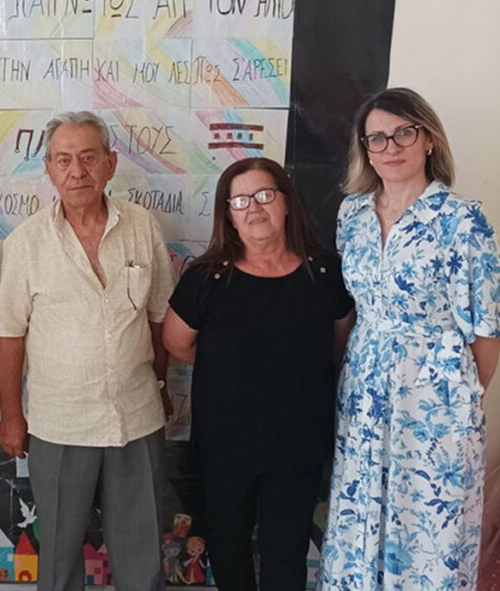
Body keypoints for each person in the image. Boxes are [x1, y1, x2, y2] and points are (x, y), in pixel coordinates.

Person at [320, 87, 500, 590]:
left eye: (404, 133)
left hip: (435, 406)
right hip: (363, 395)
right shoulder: (352, 216)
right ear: (365, 149)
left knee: (427, 529)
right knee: (362, 516)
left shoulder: (462, 220)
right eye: (377, 138)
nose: (390, 147)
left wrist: (455, 399)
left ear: (428, 140)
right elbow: (353, 308)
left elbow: (487, 331)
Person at [0, 111, 176, 591]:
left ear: (110, 164)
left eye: (89, 158)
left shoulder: (142, 226)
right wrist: (11, 416)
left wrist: (160, 384)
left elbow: (159, 317)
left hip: (136, 417)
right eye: (64, 160)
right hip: (59, 424)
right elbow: (9, 335)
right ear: (49, 170)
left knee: (142, 557)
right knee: (58, 556)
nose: (77, 171)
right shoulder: (27, 242)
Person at [163, 157, 354, 591]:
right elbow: (177, 343)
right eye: (240, 200)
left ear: (286, 202)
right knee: (228, 545)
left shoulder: (325, 272)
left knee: (286, 551)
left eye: (265, 195)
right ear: (228, 215)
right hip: (226, 445)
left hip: (298, 444)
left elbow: (340, 339)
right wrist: (238, 366)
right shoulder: (206, 278)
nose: (254, 208)